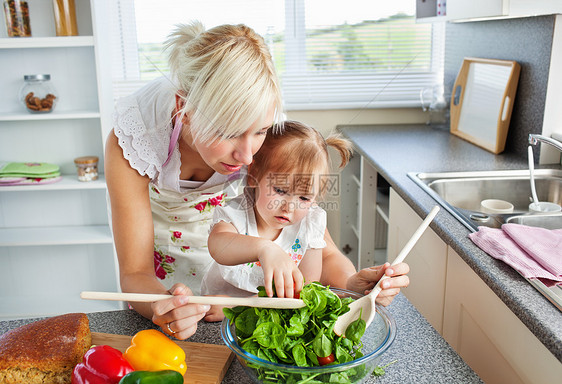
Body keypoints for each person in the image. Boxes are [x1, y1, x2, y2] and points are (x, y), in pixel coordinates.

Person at [105, 21, 410, 341]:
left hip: (233, 279)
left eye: (260, 131)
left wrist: (355, 285)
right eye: (228, 132)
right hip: (161, 259)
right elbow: (135, 272)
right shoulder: (138, 135)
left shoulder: (260, 117)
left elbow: (318, 244)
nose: (248, 157)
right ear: (185, 108)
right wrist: (163, 307)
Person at [203, 121, 352, 302]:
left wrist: (352, 285)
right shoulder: (237, 213)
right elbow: (218, 247)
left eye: (304, 198)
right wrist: (264, 248)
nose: (289, 207)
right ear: (254, 174)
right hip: (220, 308)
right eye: (280, 191)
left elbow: (306, 289)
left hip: (269, 316)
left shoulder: (310, 222)